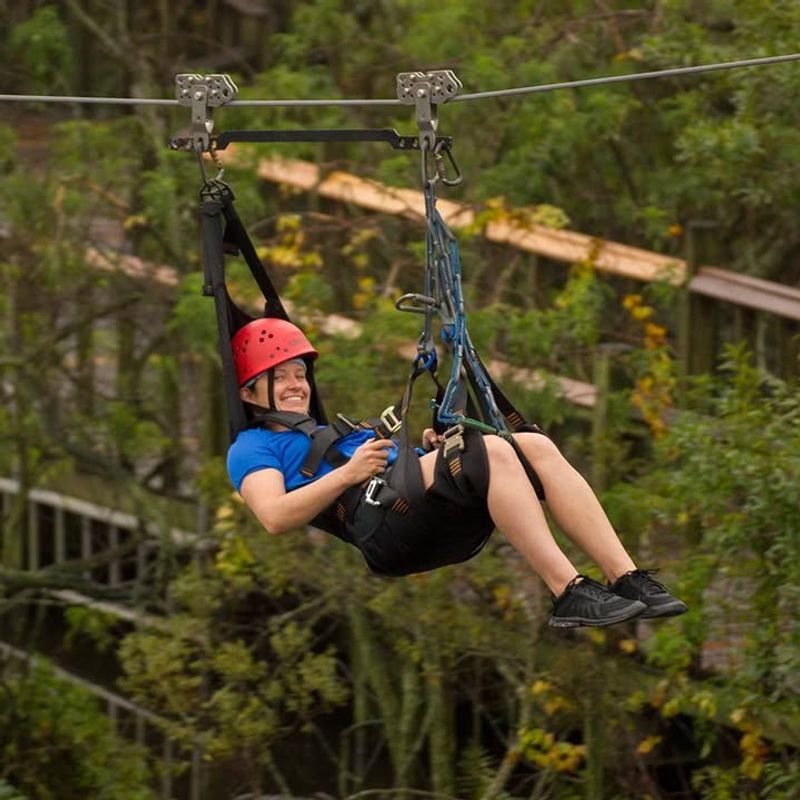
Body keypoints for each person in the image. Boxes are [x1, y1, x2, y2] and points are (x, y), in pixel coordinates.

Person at [227, 318, 687, 628]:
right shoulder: (251, 448)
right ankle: (567, 590)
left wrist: (427, 455)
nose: (296, 386)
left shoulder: (326, 432)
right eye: (280, 377)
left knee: (532, 445)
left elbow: (386, 469)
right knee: (494, 454)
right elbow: (273, 517)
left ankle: (625, 576)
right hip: (385, 528)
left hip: (405, 502)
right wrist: (347, 475)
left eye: (299, 375)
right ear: (249, 394)